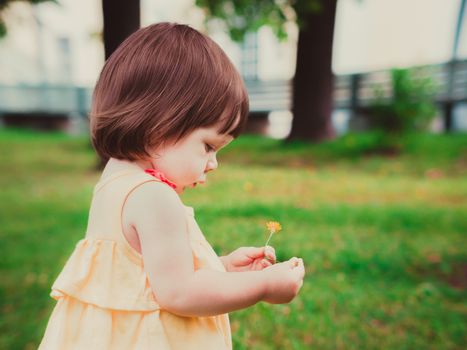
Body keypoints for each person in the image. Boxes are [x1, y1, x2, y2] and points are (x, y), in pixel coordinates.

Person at [38, 22, 305, 350]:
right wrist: (263, 285)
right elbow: (180, 292)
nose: (213, 163)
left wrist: (221, 268)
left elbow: (145, 277)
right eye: (208, 146)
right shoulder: (153, 196)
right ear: (158, 123)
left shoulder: (114, 180)